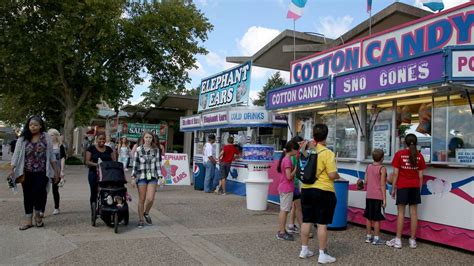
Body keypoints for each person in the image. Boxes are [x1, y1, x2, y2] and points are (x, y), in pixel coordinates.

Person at [10, 116, 60, 230]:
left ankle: (38, 215)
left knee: (39, 193)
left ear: (41, 126)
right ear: (28, 126)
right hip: (26, 172)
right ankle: (29, 221)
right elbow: (16, 154)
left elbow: (52, 156)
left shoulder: (46, 137)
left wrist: (56, 172)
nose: (33, 127)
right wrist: (12, 169)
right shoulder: (23, 138)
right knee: (27, 196)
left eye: (36, 125)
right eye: (31, 125)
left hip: (42, 172)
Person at [299, 124, 339, 263]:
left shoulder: (308, 151)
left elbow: (301, 150)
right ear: (326, 136)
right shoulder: (328, 153)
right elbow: (332, 174)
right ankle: (322, 254)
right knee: (322, 223)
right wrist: (338, 176)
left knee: (307, 220)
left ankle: (304, 250)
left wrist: (309, 143)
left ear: (314, 136)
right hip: (323, 191)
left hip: (306, 189)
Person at [387, 134, 426, 249]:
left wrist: (393, 188)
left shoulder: (399, 154)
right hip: (414, 187)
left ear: (405, 143)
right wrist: (418, 189)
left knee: (401, 213)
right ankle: (413, 241)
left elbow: (395, 174)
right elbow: (420, 176)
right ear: (416, 142)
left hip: (403, 186)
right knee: (414, 213)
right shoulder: (420, 156)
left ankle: (398, 240)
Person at [131, 131, 162, 228]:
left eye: (150, 137)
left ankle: (146, 212)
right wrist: (133, 177)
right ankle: (141, 220)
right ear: (143, 138)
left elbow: (158, 164)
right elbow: (135, 165)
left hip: (152, 176)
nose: (148, 139)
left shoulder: (156, 150)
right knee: (142, 199)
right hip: (141, 177)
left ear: (152, 139)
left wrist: (160, 177)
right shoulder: (138, 150)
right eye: (146, 137)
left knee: (150, 198)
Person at [85, 133, 116, 216]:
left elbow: (114, 161)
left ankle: (107, 206)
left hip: (107, 174)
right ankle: (94, 210)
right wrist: (97, 165)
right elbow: (87, 162)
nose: (102, 140)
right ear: (96, 139)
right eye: (100, 139)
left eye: (103, 139)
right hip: (94, 173)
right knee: (94, 192)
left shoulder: (109, 149)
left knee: (108, 191)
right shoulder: (91, 148)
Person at [362, 149, 387, 245]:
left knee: (368, 217)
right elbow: (382, 185)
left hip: (369, 195)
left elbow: (366, 181)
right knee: (377, 218)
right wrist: (384, 199)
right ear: (382, 158)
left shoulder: (368, 167)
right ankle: (376, 238)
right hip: (378, 196)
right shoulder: (382, 168)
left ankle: (368, 236)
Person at [275, 140, 299, 241]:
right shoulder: (288, 160)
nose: (297, 151)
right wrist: (296, 169)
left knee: (283, 210)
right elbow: (289, 176)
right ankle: (281, 232)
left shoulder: (284, 159)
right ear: (292, 149)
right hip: (287, 188)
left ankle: (281, 230)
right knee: (284, 211)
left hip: (283, 187)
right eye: (296, 149)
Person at [43, 129, 66, 216]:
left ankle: (56, 207)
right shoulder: (46, 146)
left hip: (57, 170)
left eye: (52, 135)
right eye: (49, 135)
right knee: (44, 190)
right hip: (47, 170)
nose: (50, 137)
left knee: (55, 190)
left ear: (56, 136)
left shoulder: (60, 146)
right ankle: (42, 210)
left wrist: (62, 171)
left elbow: (63, 158)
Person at [287, 136, 304, 235]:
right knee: (298, 206)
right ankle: (303, 229)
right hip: (294, 184)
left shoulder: (294, 155)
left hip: (295, 184)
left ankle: (291, 225)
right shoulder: (294, 156)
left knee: (294, 205)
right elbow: (292, 172)